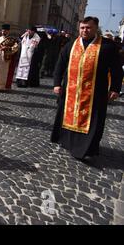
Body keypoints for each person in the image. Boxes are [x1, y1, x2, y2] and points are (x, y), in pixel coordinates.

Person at [51, 17, 123, 161]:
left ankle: (86, 149)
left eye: (88, 28)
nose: (85, 30)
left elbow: (116, 69)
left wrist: (115, 88)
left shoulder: (107, 46)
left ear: (96, 28)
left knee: (93, 120)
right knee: (67, 115)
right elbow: (60, 64)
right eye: (82, 27)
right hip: (71, 90)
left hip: (95, 93)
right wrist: (57, 83)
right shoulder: (71, 44)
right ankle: (68, 142)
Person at [0, 24, 20, 91]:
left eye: (5, 31)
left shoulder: (11, 39)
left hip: (6, 57)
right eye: (3, 31)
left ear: (8, 31)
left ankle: (2, 87)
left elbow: (15, 48)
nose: (4, 32)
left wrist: (6, 48)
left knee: (3, 72)